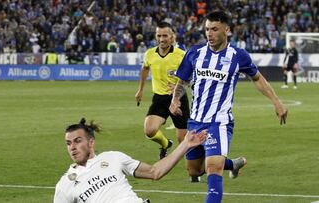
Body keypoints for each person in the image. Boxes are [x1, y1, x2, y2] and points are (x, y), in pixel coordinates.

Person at [169, 11, 287, 203]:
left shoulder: (238, 56)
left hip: (220, 122)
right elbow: (182, 80)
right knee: (194, 169)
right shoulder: (195, 53)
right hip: (195, 121)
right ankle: (233, 164)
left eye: (214, 29)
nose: (209, 33)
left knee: (213, 167)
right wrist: (175, 100)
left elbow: (258, 79)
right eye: (207, 29)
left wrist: (277, 101)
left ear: (227, 30)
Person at [54, 118, 207, 203]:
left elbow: (155, 172)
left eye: (77, 141)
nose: (72, 147)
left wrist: (185, 144)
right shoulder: (64, 185)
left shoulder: (113, 157)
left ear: (91, 142)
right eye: (68, 143)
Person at [134, 22, 190, 160]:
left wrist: (179, 87)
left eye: (165, 35)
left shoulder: (181, 55)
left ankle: (194, 171)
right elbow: (145, 69)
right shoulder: (149, 54)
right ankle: (165, 144)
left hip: (178, 99)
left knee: (183, 140)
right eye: (159, 35)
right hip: (159, 98)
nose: (162, 39)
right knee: (149, 130)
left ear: (172, 37)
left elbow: (190, 77)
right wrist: (140, 90)